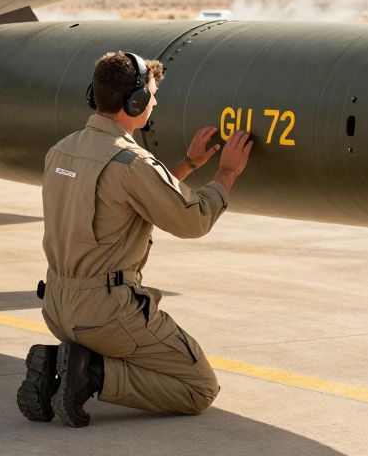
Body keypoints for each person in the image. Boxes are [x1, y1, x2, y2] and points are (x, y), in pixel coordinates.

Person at [17, 50, 253, 427]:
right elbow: (192, 221)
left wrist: (189, 164)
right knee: (198, 388)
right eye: (152, 95)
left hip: (58, 308)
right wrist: (226, 174)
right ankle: (91, 373)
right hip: (105, 314)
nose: (155, 102)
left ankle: (64, 367)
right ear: (135, 101)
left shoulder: (60, 150)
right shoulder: (132, 163)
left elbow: (129, 200)